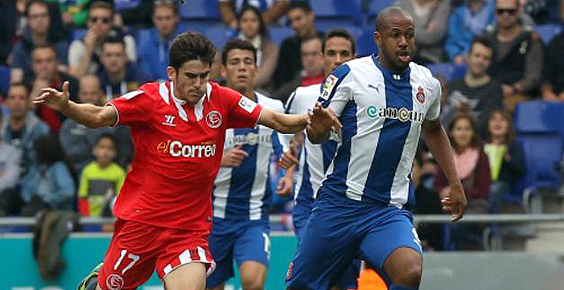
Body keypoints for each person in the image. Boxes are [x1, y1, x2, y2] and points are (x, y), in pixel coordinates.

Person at [36, 31, 317, 290]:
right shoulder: (149, 99)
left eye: (204, 76)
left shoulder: (221, 99)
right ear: (172, 73)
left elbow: (278, 121)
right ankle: (97, 281)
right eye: (191, 76)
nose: (198, 85)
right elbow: (98, 117)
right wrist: (66, 106)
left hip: (188, 229)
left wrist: (310, 120)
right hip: (142, 223)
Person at [285, 7, 467, 290]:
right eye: (395, 35)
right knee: (301, 286)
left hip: (387, 210)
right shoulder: (350, 74)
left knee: (410, 271)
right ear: (378, 39)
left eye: (409, 35)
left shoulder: (427, 83)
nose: (404, 42)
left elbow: (433, 129)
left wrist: (455, 182)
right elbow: (317, 135)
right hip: (338, 205)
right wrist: (318, 127)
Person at [206, 38, 292, 290]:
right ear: (223, 70)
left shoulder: (272, 107)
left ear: (256, 68)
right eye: (234, 62)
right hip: (212, 218)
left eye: (247, 62)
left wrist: (287, 173)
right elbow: (190, 158)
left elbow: (284, 150)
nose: (242, 68)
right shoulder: (209, 110)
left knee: (252, 282)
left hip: (253, 218)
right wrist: (219, 161)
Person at [283, 28, 360, 289]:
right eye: (331, 53)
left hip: (350, 208)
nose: (338, 60)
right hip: (310, 205)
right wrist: (288, 169)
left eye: (344, 54)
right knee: (306, 280)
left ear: (355, 58)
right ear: (321, 57)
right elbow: (288, 136)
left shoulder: (368, 101)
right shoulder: (303, 96)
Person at [435, 113, 490, 250]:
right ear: (452, 133)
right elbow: (437, 186)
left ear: (473, 132)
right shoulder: (445, 156)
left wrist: (459, 191)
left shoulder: (481, 156)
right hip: (449, 204)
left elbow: (483, 190)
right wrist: (445, 192)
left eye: (467, 129)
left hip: (474, 205)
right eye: (459, 129)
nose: (463, 133)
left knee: (459, 225)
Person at [486, 0, 543, 109]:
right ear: (495, 12)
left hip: (519, 95)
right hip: (489, 92)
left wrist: (514, 88)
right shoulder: (487, 39)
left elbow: (534, 77)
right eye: (501, 11)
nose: (505, 15)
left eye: (510, 11)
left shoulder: (531, 39)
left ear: (519, 11)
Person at [445, 37, 504, 137]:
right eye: (477, 56)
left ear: (489, 63)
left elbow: (483, 127)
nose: (480, 61)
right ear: (468, 57)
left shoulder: (495, 91)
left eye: (486, 58)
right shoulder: (452, 86)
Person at [1, 83, 50, 194]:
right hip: (3, 187)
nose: (16, 102)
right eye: (12, 98)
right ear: (7, 102)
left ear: (28, 102)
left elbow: (42, 167)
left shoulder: (42, 130)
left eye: (21, 98)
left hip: (33, 188)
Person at [68, 1, 137, 78]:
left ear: (111, 23)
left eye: (105, 20)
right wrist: (88, 52)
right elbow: (75, 81)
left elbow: (133, 73)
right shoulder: (78, 45)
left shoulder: (126, 41)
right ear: (88, 22)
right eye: (94, 20)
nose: (99, 24)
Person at [9, 0, 69, 84]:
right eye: (35, 16)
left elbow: (63, 79)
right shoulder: (20, 48)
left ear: (49, 18)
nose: (40, 20)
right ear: (27, 20)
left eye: (43, 15)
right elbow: (16, 83)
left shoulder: (61, 46)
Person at [27, 44, 79, 133]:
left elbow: (78, 115)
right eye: (39, 62)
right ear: (32, 65)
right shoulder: (25, 85)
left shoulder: (70, 84)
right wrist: (34, 94)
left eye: (49, 61)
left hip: (67, 133)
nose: (44, 66)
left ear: (57, 63)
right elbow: (20, 117)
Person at [21, 133, 76, 215]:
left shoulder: (59, 168)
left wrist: (47, 199)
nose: (34, 153)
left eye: (36, 150)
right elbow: (26, 188)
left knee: (29, 210)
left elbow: (68, 192)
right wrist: (29, 199)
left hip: (54, 209)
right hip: (35, 204)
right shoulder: (36, 167)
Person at [272, 1, 322, 90]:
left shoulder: (326, 41)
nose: (294, 25)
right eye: (291, 21)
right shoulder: (287, 46)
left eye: (298, 19)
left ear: (311, 16)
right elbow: (281, 83)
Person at [484, 109, 525, 212]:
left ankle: (488, 224)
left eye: (502, 120)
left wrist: (507, 158)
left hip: (502, 183)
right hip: (482, 181)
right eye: (494, 120)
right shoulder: (482, 145)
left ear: (508, 125)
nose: (497, 123)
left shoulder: (514, 145)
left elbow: (520, 170)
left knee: (494, 190)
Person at [78, 133, 126, 217]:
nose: (105, 151)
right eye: (101, 147)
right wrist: (86, 218)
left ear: (115, 153)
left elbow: (121, 199)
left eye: (110, 148)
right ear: (94, 150)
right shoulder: (87, 171)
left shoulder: (119, 172)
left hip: (110, 219)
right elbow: (83, 197)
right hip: (90, 219)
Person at [0, 101, 21, 217]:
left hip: (4, 203)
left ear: (0, 124)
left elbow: (9, 183)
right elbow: (2, 182)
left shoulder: (11, 152)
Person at [139, 0, 184, 81]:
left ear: (176, 18)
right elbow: (145, 78)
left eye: (168, 18)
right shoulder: (146, 48)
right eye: (159, 18)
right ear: (153, 19)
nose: (164, 23)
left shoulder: (186, 45)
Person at [96, 35, 150, 101]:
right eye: (108, 55)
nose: (113, 59)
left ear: (125, 57)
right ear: (102, 58)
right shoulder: (96, 82)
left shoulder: (141, 81)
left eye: (118, 55)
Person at [236, 5, 279, 89]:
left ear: (260, 23)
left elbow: (264, 77)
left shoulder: (270, 48)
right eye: (245, 21)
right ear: (239, 24)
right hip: (234, 92)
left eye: (253, 20)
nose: (249, 24)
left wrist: (242, 85)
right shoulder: (231, 48)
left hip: (262, 92)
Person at [276, 35, 325, 101]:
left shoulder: (333, 80)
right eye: (305, 54)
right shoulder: (293, 85)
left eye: (314, 54)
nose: (310, 59)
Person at [541, 0, 564, 102]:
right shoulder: (554, 43)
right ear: (561, 13)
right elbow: (546, 76)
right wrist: (546, 92)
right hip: (558, 100)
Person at [218, 0, 290, 28]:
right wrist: (231, 20)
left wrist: (260, 21)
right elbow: (224, 4)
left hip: (270, 24)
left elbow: (283, 3)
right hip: (239, 24)